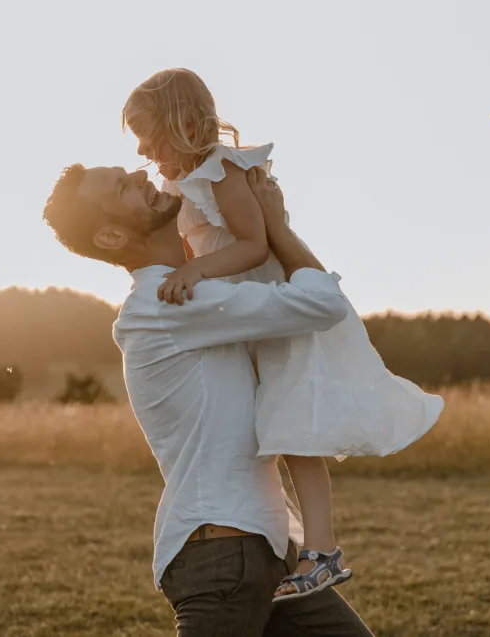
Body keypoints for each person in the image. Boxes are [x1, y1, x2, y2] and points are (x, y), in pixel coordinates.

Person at [122, 68, 445, 599]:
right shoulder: (182, 185)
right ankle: (292, 538)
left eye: (145, 131)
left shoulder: (222, 171)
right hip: (244, 316)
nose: (140, 147)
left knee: (295, 431)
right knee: (279, 431)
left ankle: (323, 551)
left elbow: (252, 245)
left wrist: (196, 272)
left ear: (180, 121)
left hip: (272, 308)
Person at [42, 165, 374, 636]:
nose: (140, 174)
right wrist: (275, 227)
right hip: (223, 557)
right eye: (123, 187)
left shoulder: (189, 292)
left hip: (267, 552)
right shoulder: (170, 303)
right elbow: (322, 303)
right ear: (113, 236)